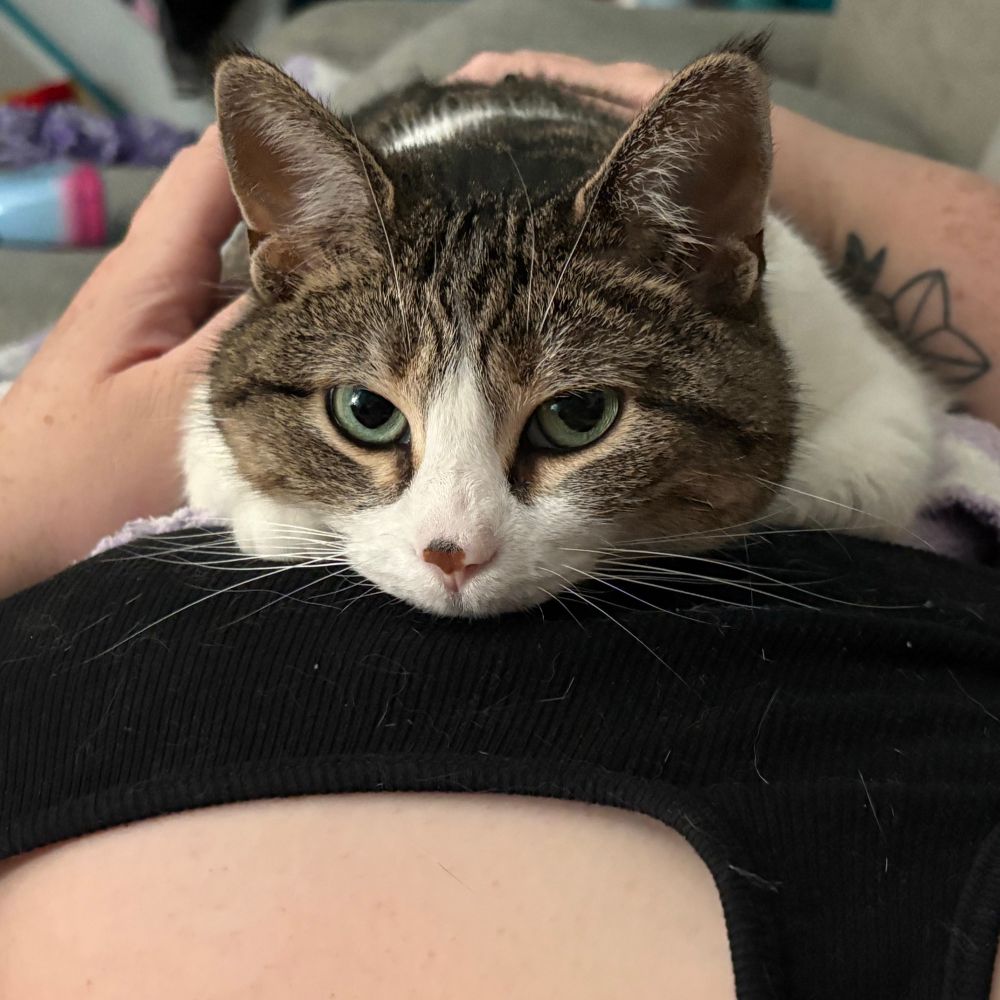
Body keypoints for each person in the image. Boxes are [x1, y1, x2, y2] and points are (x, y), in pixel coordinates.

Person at [0, 53, 998, 1000]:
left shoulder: (738, 295)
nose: (453, 544)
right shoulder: (295, 327)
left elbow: (887, 435)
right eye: (370, 413)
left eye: (574, 415)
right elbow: (232, 401)